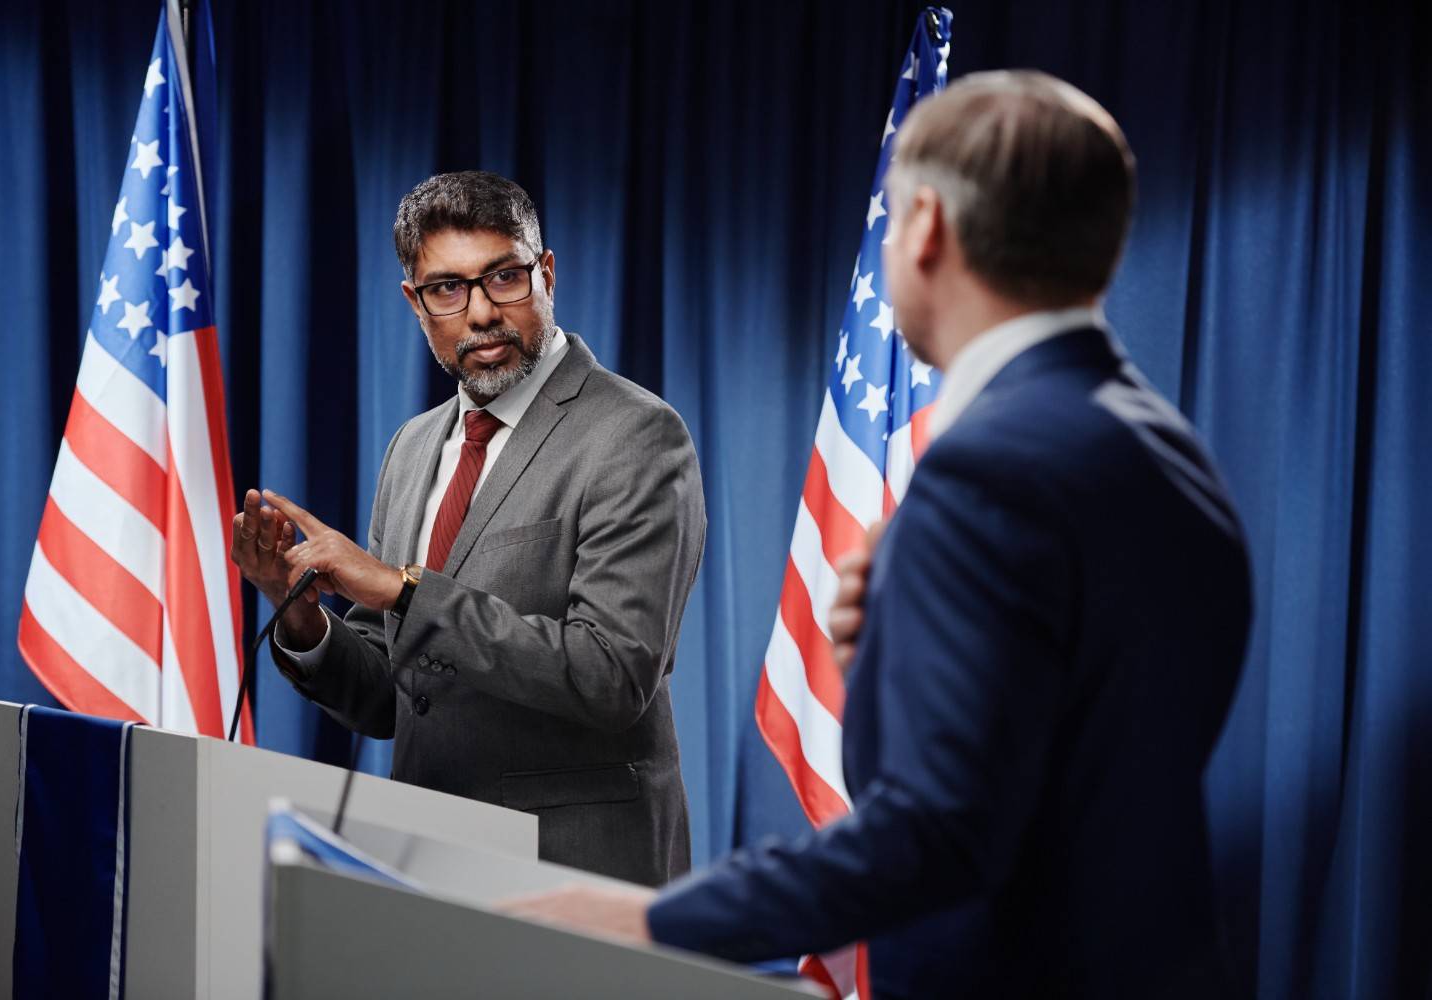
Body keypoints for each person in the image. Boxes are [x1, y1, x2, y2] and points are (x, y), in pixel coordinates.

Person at [501, 71, 1254, 998]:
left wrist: (652, 919)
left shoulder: (991, 472)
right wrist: (893, 668)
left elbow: (940, 835)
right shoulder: (1171, 457)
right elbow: (1076, 750)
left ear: (928, 223)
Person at [230, 170, 706, 887]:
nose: (480, 312)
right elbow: (394, 697)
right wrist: (297, 609)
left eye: (504, 279)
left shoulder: (635, 435)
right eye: (446, 289)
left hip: (580, 871)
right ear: (415, 304)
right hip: (430, 862)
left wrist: (404, 589)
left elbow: (612, 676)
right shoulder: (414, 448)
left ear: (546, 274)